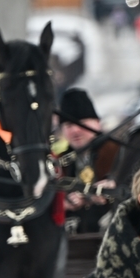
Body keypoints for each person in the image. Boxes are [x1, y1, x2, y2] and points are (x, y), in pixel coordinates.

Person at [53, 87, 118, 233]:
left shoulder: (118, 152)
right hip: (74, 242)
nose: (75, 130)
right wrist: (64, 202)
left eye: (81, 123)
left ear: (97, 123)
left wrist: (113, 188)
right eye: (69, 125)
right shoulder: (59, 162)